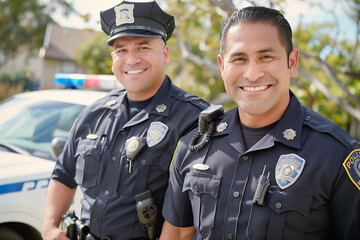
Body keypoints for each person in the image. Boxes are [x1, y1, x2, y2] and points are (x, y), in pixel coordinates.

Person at [160, 6, 360, 240]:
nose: (252, 74)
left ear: (292, 62)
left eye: (266, 57)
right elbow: (177, 234)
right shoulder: (196, 144)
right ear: (222, 66)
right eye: (239, 59)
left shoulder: (335, 154)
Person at [41, 1, 209, 239]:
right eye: (121, 50)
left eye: (142, 47)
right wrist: (49, 227)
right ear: (113, 59)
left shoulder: (193, 119)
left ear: (165, 53)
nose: (131, 60)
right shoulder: (94, 114)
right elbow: (63, 175)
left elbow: (189, 217)